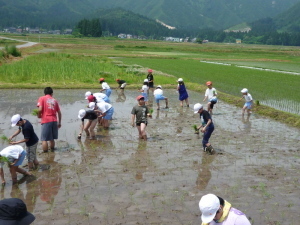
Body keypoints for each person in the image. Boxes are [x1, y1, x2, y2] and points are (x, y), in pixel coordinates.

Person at [37, 87, 62, 152]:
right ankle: (52, 150)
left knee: (44, 139)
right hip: (54, 120)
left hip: (46, 120)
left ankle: (45, 153)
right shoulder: (54, 100)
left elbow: (40, 109)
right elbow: (59, 113)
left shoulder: (42, 98)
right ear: (52, 94)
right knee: (51, 138)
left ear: (44, 93)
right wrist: (59, 123)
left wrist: (39, 115)